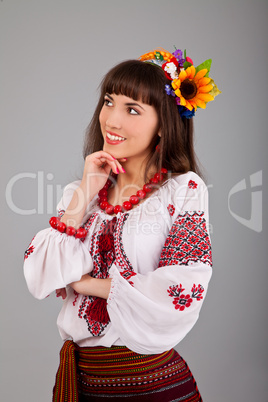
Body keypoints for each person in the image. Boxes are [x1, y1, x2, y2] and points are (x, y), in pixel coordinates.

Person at [24, 47, 221, 401]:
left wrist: (88, 284)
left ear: (164, 124)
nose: (112, 121)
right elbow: (39, 274)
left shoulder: (182, 190)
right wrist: (85, 190)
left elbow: (182, 291)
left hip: (149, 384)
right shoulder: (79, 193)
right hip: (80, 383)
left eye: (132, 109)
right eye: (109, 102)